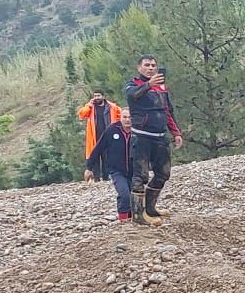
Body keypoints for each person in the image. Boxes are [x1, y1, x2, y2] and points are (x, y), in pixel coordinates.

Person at [124, 55, 184, 226]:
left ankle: (150, 208)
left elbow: (167, 110)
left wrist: (176, 132)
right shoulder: (132, 85)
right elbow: (133, 95)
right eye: (147, 65)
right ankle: (138, 215)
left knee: (163, 174)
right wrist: (149, 85)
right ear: (139, 68)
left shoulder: (162, 88)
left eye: (153, 65)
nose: (151, 68)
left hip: (160, 136)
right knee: (140, 176)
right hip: (141, 136)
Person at [85, 110, 134, 221]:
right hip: (116, 170)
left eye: (130, 117)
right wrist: (89, 167)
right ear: (120, 118)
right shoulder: (112, 130)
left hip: (135, 170)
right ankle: (123, 220)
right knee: (124, 194)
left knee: (134, 196)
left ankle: (132, 220)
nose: (127, 120)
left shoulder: (138, 131)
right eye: (125, 117)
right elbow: (99, 148)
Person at [77, 90, 122, 160]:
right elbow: (82, 114)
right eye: (95, 96)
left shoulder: (112, 107)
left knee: (108, 161)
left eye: (98, 96)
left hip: (108, 137)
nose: (96, 98)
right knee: (94, 161)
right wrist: (89, 106)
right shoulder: (91, 107)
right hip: (95, 138)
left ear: (103, 97)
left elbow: (121, 116)